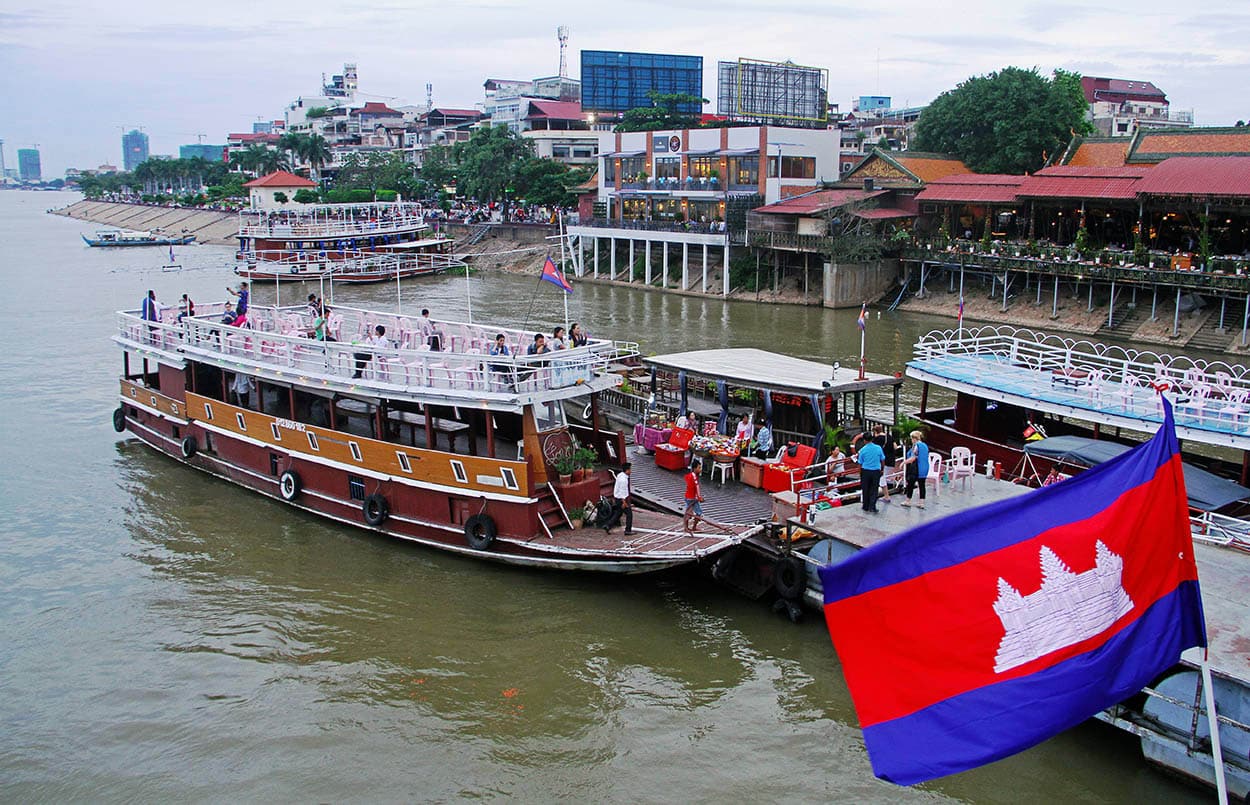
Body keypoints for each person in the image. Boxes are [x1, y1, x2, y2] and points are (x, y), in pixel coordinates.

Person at [853, 430, 885, 513]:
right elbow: (882, 460)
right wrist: (882, 469)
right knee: (874, 489)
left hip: (865, 471)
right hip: (876, 471)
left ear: (864, 440)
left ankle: (865, 505)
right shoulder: (878, 448)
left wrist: (860, 473)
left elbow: (860, 463)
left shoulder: (863, 450)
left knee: (865, 489)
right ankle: (872, 506)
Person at [900, 430, 930, 508]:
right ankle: (921, 502)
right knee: (922, 485)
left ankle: (908, 500)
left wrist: (903, 462)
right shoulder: (925, 445)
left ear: (914, 438)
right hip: (925, 467)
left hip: (916, 468)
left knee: (911, 484)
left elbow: (913, 457)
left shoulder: (916, 446)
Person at [604, 462, 633, 535]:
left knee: (618, 513)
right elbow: (622, 492)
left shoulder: (620, 475)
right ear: (627, 470)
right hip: (621, 499)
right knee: (629, 514)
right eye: (630, 469)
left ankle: (608, 525)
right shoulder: (624, 480)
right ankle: (628, 530)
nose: (631, 471)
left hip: (617, 498)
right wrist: (624, 502)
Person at [682, 459, 706, 534]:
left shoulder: (690, 476)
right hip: (691, 498)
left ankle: (690, 527)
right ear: (694, 468)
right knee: (695, 513)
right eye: (699, 468)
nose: (700, 469)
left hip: (689, 497)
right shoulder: (694, 478)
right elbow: (696, 488)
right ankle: (691, 527)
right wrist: (699, 498)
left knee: (689, 512)